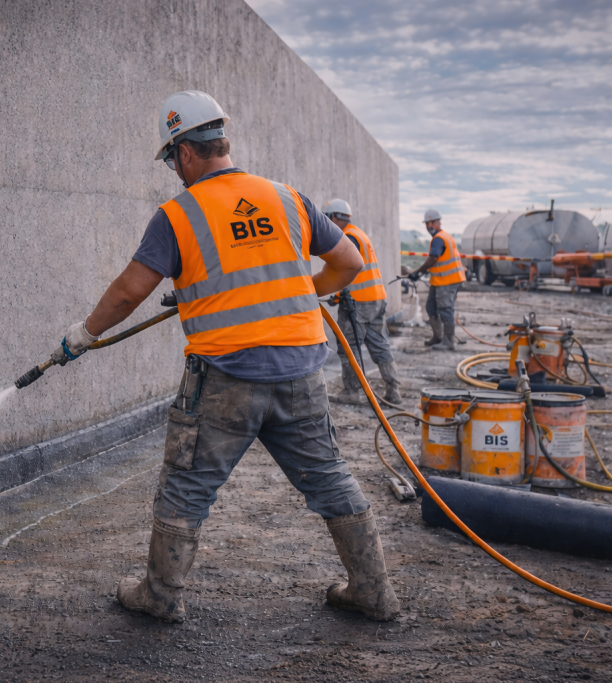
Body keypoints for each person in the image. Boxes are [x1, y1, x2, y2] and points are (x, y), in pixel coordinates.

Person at [52, 91, 400, 624]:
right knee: (329, 475)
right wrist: (304, 290)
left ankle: (161, 595)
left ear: (184, 153)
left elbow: (128, 292)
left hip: (225, 376)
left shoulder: (178, 213)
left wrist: (83, 334)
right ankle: (373, 592)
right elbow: (347, 261)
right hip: (301, 370)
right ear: (222, 142)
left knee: (188, 484)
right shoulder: (287, 198)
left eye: (171, 160)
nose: (173, 170)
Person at [323, 199, 403, 405]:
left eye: (327, 217)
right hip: (376, 299)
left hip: (358, 304)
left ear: (334, 217)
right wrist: (340, 295)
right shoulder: (359, 233)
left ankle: (351, 391)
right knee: (379, 344)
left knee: (348, 346)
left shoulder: (348, 237)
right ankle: (393, 390)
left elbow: (347, 268)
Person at [408, 209, 466, 350]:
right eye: (427, 224)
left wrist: (418, 272)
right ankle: (438, 337)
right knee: (431, 307)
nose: (428, 227)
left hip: (448, 280)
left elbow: (433, 258)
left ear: (436, 223)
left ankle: (448, 342)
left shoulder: (440, 238)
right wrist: (421, 272)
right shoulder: (442, 237)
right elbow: (437, 261)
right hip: (440, 280)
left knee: (445, 309)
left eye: (430, 224)